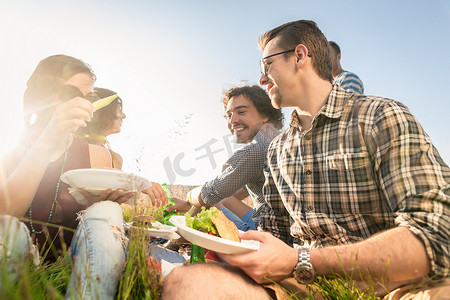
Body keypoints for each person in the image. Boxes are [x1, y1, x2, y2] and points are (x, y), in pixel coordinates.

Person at [162, 20, 450, 299]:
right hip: (302, 285)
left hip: (391, 287)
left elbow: (437, 234)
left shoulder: (380, 117)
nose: (262, 79)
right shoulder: (277, 150)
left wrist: (299, 259)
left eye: (267, 65)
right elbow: (273, 236)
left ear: (300, 56)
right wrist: (227, 243)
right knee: (188, 283)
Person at [0, 54, 135, 298]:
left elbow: (95, 227)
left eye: (88, 98)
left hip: (73, 261)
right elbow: (6, 210)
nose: (81, 104)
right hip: (16, 259)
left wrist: (101, 202)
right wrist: (49, 137)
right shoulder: (8, 151)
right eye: (69, 93)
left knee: (106, 212)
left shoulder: (97, 155)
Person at [165, 85, 283, 231]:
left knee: (209, 199)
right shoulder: (277, 138)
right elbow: (235, 192)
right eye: (229, 115)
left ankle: (175, 239)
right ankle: (178, 237)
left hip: (267, 234)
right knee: (218, 196)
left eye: (241, 112)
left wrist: (190, 198)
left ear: (264, 115)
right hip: (276, 225)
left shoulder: (256, 149)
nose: (232, 121)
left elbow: (210, 195)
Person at [78, 87, 126, 169]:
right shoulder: (74, 149)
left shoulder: (115, 159)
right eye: (119, 110)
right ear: (103, 114)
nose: (124, 116)